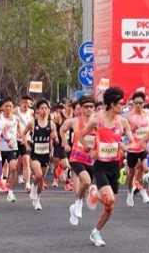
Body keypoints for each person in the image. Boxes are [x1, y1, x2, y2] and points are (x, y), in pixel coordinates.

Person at [77, 87, 128, 247]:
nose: (123, 106)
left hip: (115, 166)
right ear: (112, 104)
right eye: (121, 103)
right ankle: (94, 191)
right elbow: (80, 135)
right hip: (100, 166)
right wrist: (90, 150)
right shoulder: (97, 120)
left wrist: (125, 146)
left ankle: (96, 231)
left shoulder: (122, 121)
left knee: (110, 206)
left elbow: (133, 141)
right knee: (110, 198)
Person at [61, 95, 96, 226]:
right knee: (86, 181)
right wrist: (65, 143)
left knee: (85, 185)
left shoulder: (97, 122)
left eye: (91, 106)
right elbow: (62, 130)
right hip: (76, 157)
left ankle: (75, 207)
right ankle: (79, 202)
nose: (89, 109)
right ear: (80, 108)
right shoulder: (74, 121)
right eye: (86, 107)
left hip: (90, 159)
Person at [22, 99, 59, 211]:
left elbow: (56, 141)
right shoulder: (33, 123)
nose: (44, 110)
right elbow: (23, 133)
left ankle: (37, 199)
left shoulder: (52, 124)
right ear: (37, 110)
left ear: (49, 110)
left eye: (46, 108)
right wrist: (26, 145)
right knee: (38, 174)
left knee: (41, 179)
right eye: (42, 108)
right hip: (35, 154)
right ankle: (33, 186)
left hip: (46, 154)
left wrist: (54, 137)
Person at [124, 91, 149, 206]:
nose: (138, 105)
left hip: (144, 147)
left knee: (147, 168)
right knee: (131, 173)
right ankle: (130, 193)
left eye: (140, 103)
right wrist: (132, 129)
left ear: (144, 103)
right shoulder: (129, 116)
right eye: (136, 103)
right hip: (133, 149)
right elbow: (123, 132)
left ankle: (143, 190)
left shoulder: (148, 115)